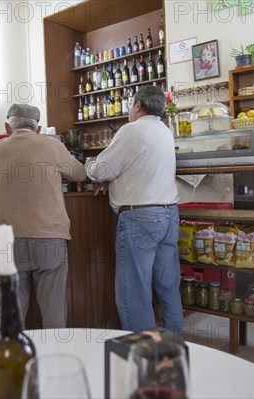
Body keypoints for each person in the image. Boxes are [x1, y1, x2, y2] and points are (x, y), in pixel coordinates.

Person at [85, 86, 184, 335]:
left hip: (140, 218)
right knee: (168, 286)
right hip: (169, 214)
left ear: (138, 105)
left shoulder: (131, 130)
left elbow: (102, 170)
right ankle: (175, 346)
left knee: (134, 293)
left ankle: (145, 357)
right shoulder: (165, 131)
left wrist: (90, 166)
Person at [0, 104, 86, 328]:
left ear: (7, 126)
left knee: (10, 315)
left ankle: (9, 361)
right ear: (38, 128)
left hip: (7, 239)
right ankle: (54, 358)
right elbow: (80, 173)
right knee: (54, 311)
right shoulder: (53, 145)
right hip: (49, 235)